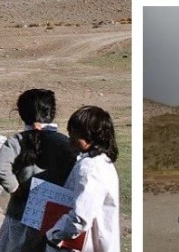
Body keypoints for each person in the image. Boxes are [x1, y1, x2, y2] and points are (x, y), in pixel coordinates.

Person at [0, 89, 76, 252]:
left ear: (21, 114)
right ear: (52, 113)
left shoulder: (18, 141)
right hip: (55, 213)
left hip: (21, 212)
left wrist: (15, 188)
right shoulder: (64, 143)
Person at [46, 106, 120, 252]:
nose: (71, 138)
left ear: (91, 136)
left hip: (84, 245)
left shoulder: (90, 169)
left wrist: (54, 233)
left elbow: (80, 218)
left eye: (75, 134)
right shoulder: (101, 162)